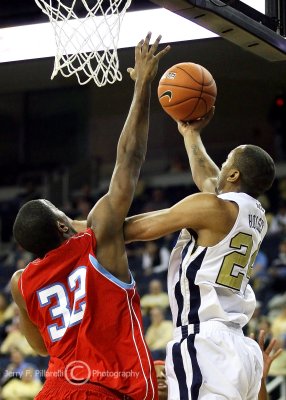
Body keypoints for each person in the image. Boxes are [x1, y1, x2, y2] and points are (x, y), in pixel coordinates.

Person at [10, 33, 170, 400]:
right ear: (63, 225)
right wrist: (143, 85)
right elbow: (129, 158)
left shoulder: (21, 282)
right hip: (103, 388)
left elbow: (40, 347)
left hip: (54, 389)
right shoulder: (96, 239)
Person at [124, 110, 276, 399]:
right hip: (240, 348)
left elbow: (136, 230)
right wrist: (190, 134)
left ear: (233, 174)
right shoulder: (254, 214)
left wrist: (83, 230)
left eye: (226, 162)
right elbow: (210, 180)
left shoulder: (213, 208)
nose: (220, 166)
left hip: (205, 342)